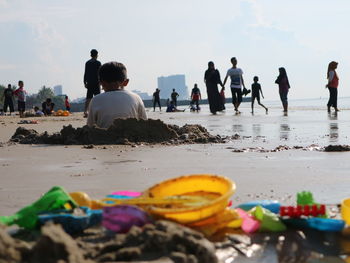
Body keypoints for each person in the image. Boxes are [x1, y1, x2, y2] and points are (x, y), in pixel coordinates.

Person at [87, 61, 147, 128]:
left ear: (101, 83)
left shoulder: (95, 100)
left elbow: (90, 126)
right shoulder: (136, 98)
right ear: (126, 82)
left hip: (104, 137)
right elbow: (144, 122)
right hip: (131, 136)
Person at [84, 49, 101, 117]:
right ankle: (99, 111)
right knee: (98, 97)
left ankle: (85, 111)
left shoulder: (87, 63)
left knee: (88, 98)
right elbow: (100, 73)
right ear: (97, 55)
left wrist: (84, 82)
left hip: (90, 82)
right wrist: (101, 82)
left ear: (91, 54)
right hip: (96, 82)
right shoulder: (98, 63)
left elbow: (86, 73)